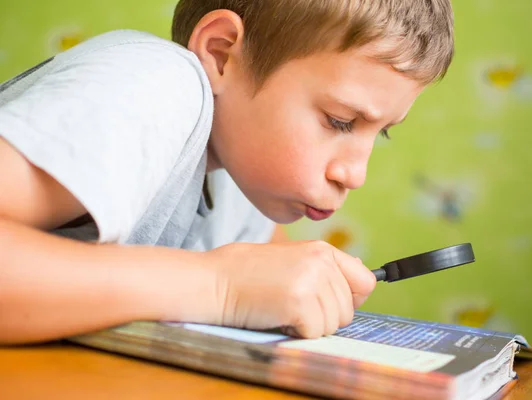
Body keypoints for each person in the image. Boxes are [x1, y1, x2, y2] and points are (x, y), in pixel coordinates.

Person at [0, 0, 454, 344]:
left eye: (383, 133)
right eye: (339, 121)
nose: (354, 174)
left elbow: (264, 277)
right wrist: (220, 285)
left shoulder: (247, 180)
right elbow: (232, 282)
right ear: (221, 54)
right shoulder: (154, 85)